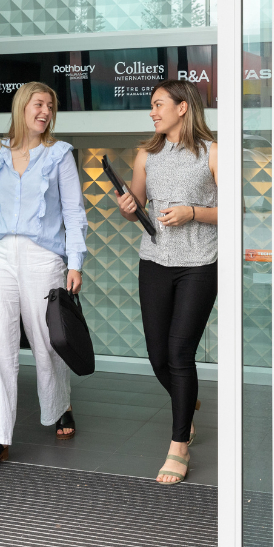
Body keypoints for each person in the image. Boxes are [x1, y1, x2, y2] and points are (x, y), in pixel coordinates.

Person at [0, 81, 88, 472]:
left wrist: (75, 262)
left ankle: (59, 406)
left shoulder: (60, 154)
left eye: (50, 105)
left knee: (47, 341)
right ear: (22, 107)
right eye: (39, 104)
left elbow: (73, 212)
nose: (45, 111)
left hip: (43, 257)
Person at [115, 79, 218, 485]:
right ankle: (185, 402)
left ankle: (179, 446)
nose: (153, 112)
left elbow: (236, 211)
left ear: (182, 108)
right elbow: (137, 208)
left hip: (200, 263)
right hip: (154, 260)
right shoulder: (147, 154)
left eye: (158, 105)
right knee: (158, 355)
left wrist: (193, 212)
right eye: (152, 106)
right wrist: (128, 206)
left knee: (179, 352)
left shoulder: (212, 152)